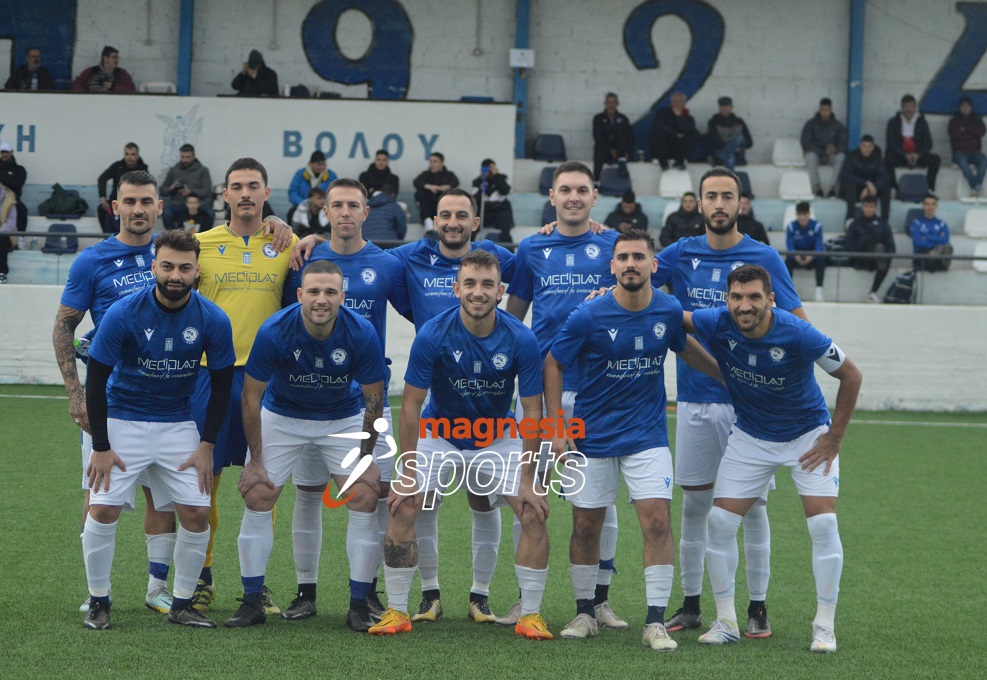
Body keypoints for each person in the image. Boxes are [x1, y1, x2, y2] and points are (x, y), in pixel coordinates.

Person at [544, 230, 721, 651]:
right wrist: (556, 428)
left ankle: (655, 622)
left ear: (653, 265)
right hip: (592, 436)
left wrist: (725, 376)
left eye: (638, 257)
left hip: (647, 435)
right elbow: (552, 363)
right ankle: (585, 612)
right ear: (612, 266)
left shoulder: (668, 308)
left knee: (657, 521)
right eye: (622, 257)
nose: (630, 264)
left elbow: (683, 346)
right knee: (586, 525)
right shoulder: (587, 315)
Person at [653, 167, 807, 640]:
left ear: (741, 204)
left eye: (727, 196)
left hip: (750, 407)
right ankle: (692, 605)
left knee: (753, 508)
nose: (719, 204)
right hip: (696, 401)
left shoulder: (763, 257)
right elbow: (629, 271)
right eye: (710, 196)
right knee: (696, 505)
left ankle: (757, 608)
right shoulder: (679, 253)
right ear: (698, 203)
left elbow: (798, 323)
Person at [368, 249, 553, 641]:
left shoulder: (521, 338)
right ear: (456, 289)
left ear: (500, 291)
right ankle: (397, 610)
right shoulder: (433, 333)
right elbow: (411, 405)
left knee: (533, 510)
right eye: (469, 283)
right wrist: (408, 471)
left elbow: (534, 411)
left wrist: (528, 478)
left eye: (487, 284)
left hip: (497, 436)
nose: (477, 291)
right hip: (440, 432)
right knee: (403, 504)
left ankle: (530, 615)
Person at [686, 264, 862, 653]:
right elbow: (665, 314)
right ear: (726, 299)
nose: (744, 306)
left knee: (823, 524)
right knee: (720, 522)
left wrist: (833, 438)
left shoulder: (799, 333)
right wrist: (612, 296)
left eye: (754, 297)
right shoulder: (716, 322)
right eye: (736, 297)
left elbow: (851, 375)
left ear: (771, 299)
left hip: (807, 436)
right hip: (751, 436)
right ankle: (726, 621)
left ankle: (824, 626)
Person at [81, 228, 236, 629]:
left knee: (196, 512)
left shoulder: (213, 318)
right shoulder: (123, 312)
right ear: (154, 267)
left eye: (184, 268)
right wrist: (101, 446)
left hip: (177, 422)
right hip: (123, 418)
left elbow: (221, 387)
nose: (175, 275)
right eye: (167, 266)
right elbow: (95, 381)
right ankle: (99, 601)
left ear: (196, 271)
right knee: (102, 508)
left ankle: (182, 604)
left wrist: (207, 446)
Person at [225, 259, 387, 630]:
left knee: (364, 495)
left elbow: (374, 400)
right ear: (300, 294)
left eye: (330, 292)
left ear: (342, 296)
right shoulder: (274, 330)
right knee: (259, 494)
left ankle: (359, 605)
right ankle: (252, 601)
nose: (321, 299)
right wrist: (255, 461)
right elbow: (250, 397)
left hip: (342, 417)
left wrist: (366, 460)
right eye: (313, 291)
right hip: (283, 416)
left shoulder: (361, 332)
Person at [504, 161, 624, 629]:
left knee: (599, 502)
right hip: (539, 392)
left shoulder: (615, 246)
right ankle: (524, 598)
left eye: (581, 190)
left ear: (594, 196)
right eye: (565, 190)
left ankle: (599, 600)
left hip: (598, 390)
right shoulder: (531, 247)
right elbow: (514, 317)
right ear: (551, 197)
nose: (573, 197)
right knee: (527, 494)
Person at [285, 179, 412, 619]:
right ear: (325, 211)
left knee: (376, 493)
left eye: (353, 205)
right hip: (310, 397)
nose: (344, 212)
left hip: (367, 399)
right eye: (336, 204)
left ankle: (368, 592)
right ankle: (306, 592)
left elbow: (420, 312)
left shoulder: (388, 263)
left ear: (365, 212)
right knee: (307, 493)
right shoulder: (303, 258)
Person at [387, 189, 516, 623]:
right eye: (445, 214)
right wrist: (310, 239)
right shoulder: (411, 255)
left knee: (483, 499)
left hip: (488, 400)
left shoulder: (495, 256)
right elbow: (361, 255)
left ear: (475, 222)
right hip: (435, 396)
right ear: (434, 220)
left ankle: (481, 596)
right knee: (422, 499)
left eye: (462, 214)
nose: (453, 221)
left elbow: (539, 265)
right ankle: (429, 595)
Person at [189, 158, 298, 613]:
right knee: (205, 480)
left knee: (262, 482)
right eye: (237, 186)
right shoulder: (200, 244)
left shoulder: (286, 243)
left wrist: (293, 230)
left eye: (254, 185)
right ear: (226, 194)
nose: (246, 193)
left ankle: (258, 584)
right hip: (210, 375)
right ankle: (201, 576)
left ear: (267, 193)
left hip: (264, 378)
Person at [843, 195, 896, 303]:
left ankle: (873, 292)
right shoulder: (855, 224)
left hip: (876, 259)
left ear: (875, 208)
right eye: (866, 206)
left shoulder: (883, 225)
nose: (868, 209)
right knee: (874, 246)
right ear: (862, 207)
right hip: (860, 258)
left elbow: (891, 245)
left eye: (871, 206)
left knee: (882, 251)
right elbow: (848, 244)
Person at [885, 94, 940, 192]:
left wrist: (918, 154)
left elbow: (928, 143)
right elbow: (891, 143)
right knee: (887, 159)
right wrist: (904, 155)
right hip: (901, 156)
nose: (909, 109)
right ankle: (893, 188)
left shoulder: (921, 122)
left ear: (915, 107)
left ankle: (929, 188)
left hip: (917, 156)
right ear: (902, 107)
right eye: (906, 107)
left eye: (911, 106)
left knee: (936, 159)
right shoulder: (893, 122)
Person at [97, 143, 148, 233]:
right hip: (116, 202)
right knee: (101, 209)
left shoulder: (142, 169)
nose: (129, 157)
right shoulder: (118, 166)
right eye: (127, 154)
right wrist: (103, 197)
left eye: (132, 154)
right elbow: (102, 178)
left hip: (133, 203)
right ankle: (106, 236)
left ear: (137, 156)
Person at [801, 98, 847, 197]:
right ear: (819, 109)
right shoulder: (811, 124)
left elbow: (843, 144)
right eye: (823, 110)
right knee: (809, 156)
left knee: (841, 157)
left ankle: (832, 189)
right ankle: (817, 188)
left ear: (831, 110)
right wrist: (822, 154)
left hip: (831, 154)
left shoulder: (838, 126)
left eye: (827, 110)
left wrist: (836, 150)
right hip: (816, 154)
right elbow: (806, 143)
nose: (825, 113)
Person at [160, 144, 213, 230]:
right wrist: (171, 188)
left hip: (197, 204)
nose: (185, 160)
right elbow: (162, 190)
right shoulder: (174, 170)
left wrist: (191, 191)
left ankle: (205, 236)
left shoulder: (203, 170)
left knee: (210, 214)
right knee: (166, 213)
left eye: (188, 157)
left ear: (194, 156)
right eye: (183, 157)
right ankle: (173, 236)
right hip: (178, 203)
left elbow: (207, 191)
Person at [840, 135, 891, 221]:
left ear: (873, 147)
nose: (866, 149)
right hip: (856, 189)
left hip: (872, 189)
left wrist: (871, 187)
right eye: (864, 146)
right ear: (860, 146)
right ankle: (850, 219)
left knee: (886, 189)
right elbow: (847, 175)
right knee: (850, 185)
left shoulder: (877, 158)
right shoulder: (851, 156)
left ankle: (884, 221)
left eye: (869, 146)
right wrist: (866, 183)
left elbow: (885, 177)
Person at [785, 201, 827, 302]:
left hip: (812, 257)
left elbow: (819, 246)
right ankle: (788, 292)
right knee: (787, 262)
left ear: (809, 214)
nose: (802, 217)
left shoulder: (817, 226)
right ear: (796, 214)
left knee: (822, 260)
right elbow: (790, 245)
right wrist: (795, 256)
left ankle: (818, 290)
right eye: (800, 214)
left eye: (805, 214)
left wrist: (811, 256)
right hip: (796, 257)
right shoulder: (791, 227)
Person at [948, 96, 987, 194]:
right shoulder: (954, 121)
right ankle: (975, 186)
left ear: (971, 107)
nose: (965, 108)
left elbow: (981, 132)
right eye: (963, 106)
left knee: (984, 161)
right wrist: (972, 132)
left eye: (967, 106)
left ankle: (976, 185)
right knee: (964, 164)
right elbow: (954, 135)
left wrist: (965, 129)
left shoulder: (977, 119)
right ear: (960, 107)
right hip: (959, 152)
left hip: (975, 152)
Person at [650, 92, 698, 170]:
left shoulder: (688, 118)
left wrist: (681, 134)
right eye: (675, 101)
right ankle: (664, 163)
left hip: (680, 145)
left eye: (680, 101)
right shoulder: (663, 113)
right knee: (659, 133)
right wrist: (675, 134)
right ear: (671, 103)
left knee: (693, 134)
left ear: (684, 103)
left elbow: (689, 129)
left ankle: (680, 161)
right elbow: (659, 125)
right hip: (665, 144)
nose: (677, 103)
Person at [592, 92, 634, 180]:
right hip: (605, 151)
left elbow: (629, 137)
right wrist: (610, 149)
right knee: (599, 148)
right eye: (609, 102)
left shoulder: (623, 119)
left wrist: (627, 152)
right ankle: (596, 180)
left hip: (620, 150)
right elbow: (597, 137)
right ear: (605, 104)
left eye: (613, 102)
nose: (611, 105)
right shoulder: (598, 118)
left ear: (617, 104)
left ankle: (622, 160)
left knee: (620, 133)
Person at [472, 158, 515, 242]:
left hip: (499, 210)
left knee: (505, 223)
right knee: (472, 224)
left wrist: (496, 175)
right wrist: (481, 189)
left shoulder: (502, 178)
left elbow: (505, 191)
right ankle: (470, 246)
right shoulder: (477, 182)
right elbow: (474, 199)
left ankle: (508, 247)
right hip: (484, 211)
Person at [413, 152, 459, 229]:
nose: (432, 164)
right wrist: (429, 187)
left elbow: (455, 182)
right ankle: (427, 220)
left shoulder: (449, 175)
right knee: (421, 192)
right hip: (428, 203)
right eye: (430, 161)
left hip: (443, 203)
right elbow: (416, 182)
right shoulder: (425, 174)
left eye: (435, 161)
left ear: (441, 163)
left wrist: (446, 187)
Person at [908, 194, 952, 271]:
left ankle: (934, 255)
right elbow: (918, 242)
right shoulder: (917, 223)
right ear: (923, 206)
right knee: (940, 248)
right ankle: (933, 254)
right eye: (927, 204)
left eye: (932, 204)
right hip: (922, 257)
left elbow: (945, 240)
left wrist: (927, 237)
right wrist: (937, 240)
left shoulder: (942, 224)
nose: (930, 207)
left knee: (947, 247)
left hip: (938, 261)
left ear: (936, 207)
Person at [707, 97, 752, 170]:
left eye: (727, 106)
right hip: (722, 151)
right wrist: (730, 148)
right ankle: (724, 156)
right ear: (719, 108)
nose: (724, 108)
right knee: (730, 160)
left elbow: (749, 142)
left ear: (731, 107)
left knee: (740, 138)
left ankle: (722, 156)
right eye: (722, 106)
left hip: (738, 153)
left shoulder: (739, 121)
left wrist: (736, 148)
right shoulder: (713, 121)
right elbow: (713, 140)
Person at [71, 46, 135, 94]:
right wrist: (87, 96)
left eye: (117, 57)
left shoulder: (122, 73)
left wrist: (113, 86)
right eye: (113, 57)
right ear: (105, 58)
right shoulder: (91, 72)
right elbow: (76, 86)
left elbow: (131, 89)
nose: (117, 60)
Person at [363, 177, 407, 242]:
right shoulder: (395, 207)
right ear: (393, 194)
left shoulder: (367, 207)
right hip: (388, 243)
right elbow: (401, 229)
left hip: (366, 243)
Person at [0, 141, 27, 237]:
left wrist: (2, 178)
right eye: (2, 152)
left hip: (13, 200)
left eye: (7, 152)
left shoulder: (20, 169)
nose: (4, 154)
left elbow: (17, 184)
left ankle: (21, 238)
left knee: (22, 211)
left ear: (12, 152)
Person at [0, 183, 16, 283]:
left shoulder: (9, 199)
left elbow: (11, 222)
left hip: (3, 234)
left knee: (1, 238)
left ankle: (1, 273)